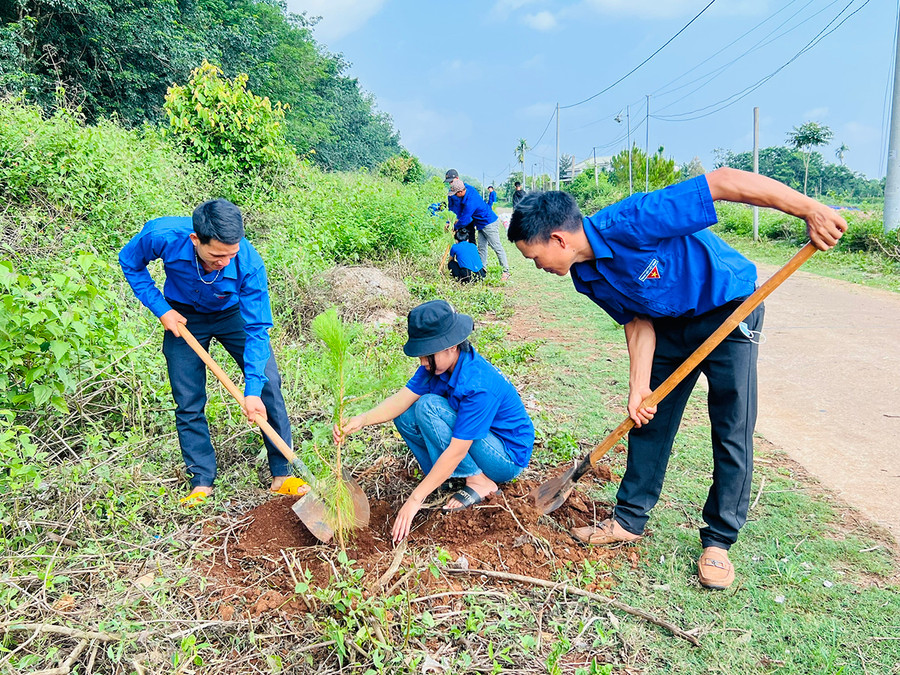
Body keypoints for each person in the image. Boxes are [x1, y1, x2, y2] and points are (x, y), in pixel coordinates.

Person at [507, 168, 847, 590]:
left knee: (731, 425)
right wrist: (638, 388)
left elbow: (720, 183)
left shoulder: (635, 220)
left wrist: (809, 209)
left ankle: (719, 541)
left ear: (558, 238)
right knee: (648, 418)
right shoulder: (585, 276)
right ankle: (629, 520)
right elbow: (637, 323)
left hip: (728, 308)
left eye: (534, 256)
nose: (536, 266)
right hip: (669, 324)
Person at [119, 199, 305, 506]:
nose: (225, 262)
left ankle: (283, 475)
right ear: (196, 240)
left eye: (231, 255)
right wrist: (161, 309)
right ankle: (201, 481)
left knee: (269, 385)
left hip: (233, 315)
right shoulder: (161, 235)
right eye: (217, 255)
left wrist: (253, 390)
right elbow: (130, 261)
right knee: (188, 398)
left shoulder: (248, 262)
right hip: (182, 315)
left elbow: (258, 329)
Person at [334, 300, 534, 542]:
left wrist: (415, 500)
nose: (423, 363)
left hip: (505, 456)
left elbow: (458, 450)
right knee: (407, 413)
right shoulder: (437, 367)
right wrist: (362, 419)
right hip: (480, 444)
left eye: (427, 355)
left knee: (429, 407)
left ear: (450, 346)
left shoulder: (477, 384)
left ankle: (480, 482)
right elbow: (401, 400)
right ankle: (450, 480)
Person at [447, 178, 511, 281]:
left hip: (489, 223)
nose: (455, 196)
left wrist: (454, 227)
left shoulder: (470, 201)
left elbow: (465, 219)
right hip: (481, 224)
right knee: (482, 248)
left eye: (455, 194)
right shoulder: (468, 189)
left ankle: (506, 271)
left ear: (461, 192)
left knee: (496, 246)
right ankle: (482, 271)